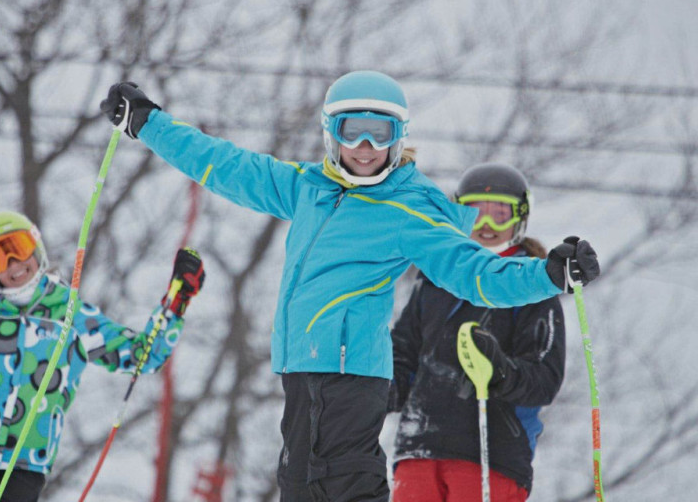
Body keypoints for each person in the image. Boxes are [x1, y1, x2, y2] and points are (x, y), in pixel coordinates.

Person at [99, 71, 600, 502]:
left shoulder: (408, 208)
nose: (365, 148)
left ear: (398, 138)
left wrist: (548, 274)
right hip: (301, 367)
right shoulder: (305, 188)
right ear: (330, 135)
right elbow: (224, 165)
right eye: (352, 132)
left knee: (343, 479)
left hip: (351, 371)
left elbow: (476, 273)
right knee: (300, 481)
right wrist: (147, 123)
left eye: (379, 135)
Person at [0, 211, 205, 502]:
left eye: (18, 247)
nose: (13, 262)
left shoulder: (73, 318)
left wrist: (177, 302)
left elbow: (142, 355)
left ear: (36, 248)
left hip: (25, 459)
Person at [389, 162, 568, 501]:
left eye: (499, 214)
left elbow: (544, 381)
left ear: (520, 217)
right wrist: (364, 389)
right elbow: (403, 358)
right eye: (474, 213)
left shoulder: (532, 289)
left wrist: (501, 371)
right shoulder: (433, 280)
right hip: (419, 447)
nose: (486, 226)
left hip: (490, 455)